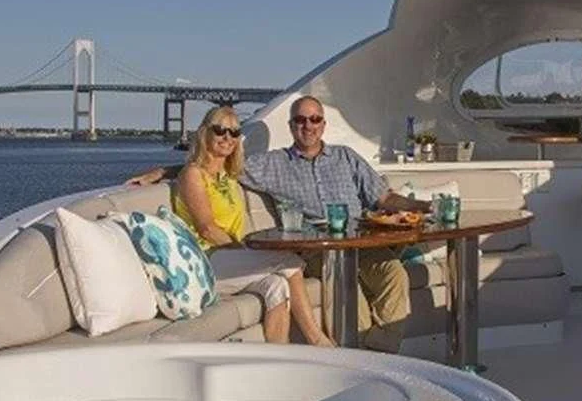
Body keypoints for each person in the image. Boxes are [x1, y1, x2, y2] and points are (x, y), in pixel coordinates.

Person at [128, 96, 429, 353]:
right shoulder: (273, 164)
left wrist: (423, 207)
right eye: (301, 120)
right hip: (317, 248)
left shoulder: (346, 158)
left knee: (394, 274)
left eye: (315, 119)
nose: (308, 126)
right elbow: (207, 165)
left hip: (361, 242)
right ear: (291, 126)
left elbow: (383, 197)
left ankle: (380, 352)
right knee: (349, 294)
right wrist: (162, 171)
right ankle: (353, 357)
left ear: (323, 125)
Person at [172, 105, 333, 348]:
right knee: (289, 261)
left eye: (234, 132)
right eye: (220, 130)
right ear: (205, 133)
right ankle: (318, 340)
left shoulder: (230, 174)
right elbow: (207, 229)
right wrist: (245, 250)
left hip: (227, 257)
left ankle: (277, 357)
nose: (227, 137)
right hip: (205, 260)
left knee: (277, 286)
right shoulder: (193, 174)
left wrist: (162, 170)